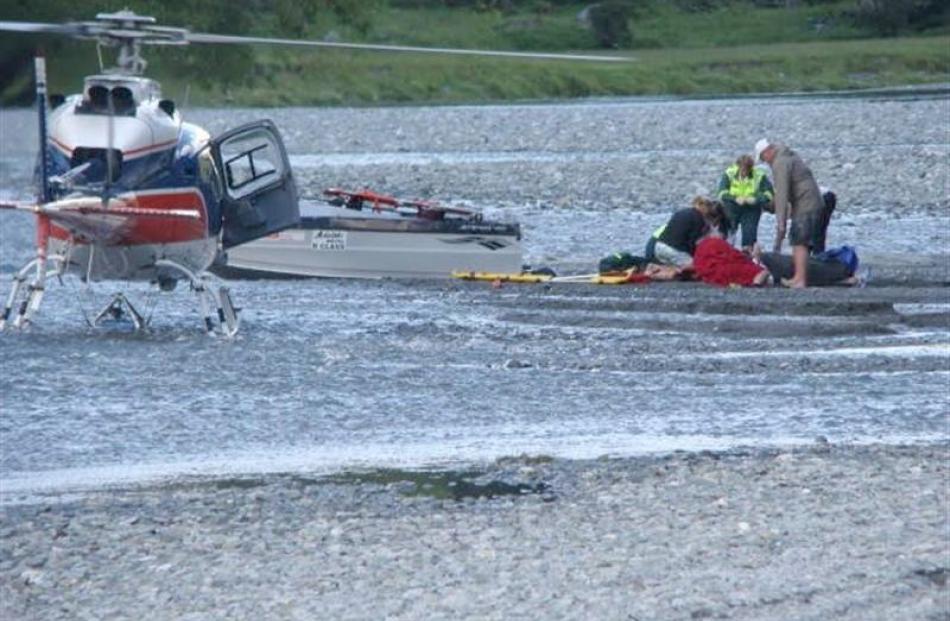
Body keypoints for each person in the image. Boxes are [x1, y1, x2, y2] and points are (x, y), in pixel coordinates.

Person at [754, 138, 824, 288]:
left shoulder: (780, 163)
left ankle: (799, 279)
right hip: (812, 202)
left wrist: (781, 224)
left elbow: (782, 194)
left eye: (762, 157)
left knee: (799, 241)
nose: (764, 161)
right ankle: (800, 276)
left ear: (768, 152)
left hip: (806, 204)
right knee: (802, 242)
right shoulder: (789, 156)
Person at [716, 154, 774, 252]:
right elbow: (721, 193)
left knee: (749, 237)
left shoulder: (759, 175)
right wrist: (734, 198)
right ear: (737, 166)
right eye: (742, 170)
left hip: (751, 209)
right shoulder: (729, 173)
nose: (744, 173)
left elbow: (769, 194)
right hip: (732, 207)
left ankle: (748, 255)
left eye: (746, 170)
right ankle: (724, 254)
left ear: (751, 168)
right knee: (727, 235)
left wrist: (756, 199)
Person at [652, 196, 722, 269]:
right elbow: (691, 243)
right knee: (698, 268)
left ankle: (658, 268)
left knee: (675, 268)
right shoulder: (698, 219)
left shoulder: (682, 211)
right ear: (706, 208)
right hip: (673, 251)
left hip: (658, 248)